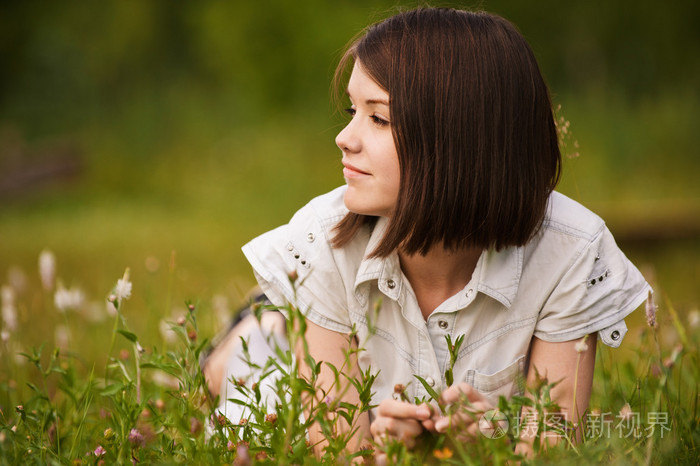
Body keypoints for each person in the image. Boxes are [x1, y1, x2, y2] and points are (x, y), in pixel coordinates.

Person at [202, 7, 651, 459]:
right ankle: (260, 327)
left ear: (458, 139)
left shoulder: (570, 252)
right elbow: (337, 453)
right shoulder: (323, 239)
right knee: (247, 405)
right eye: (352, 110)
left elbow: (552, 451)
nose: (343, 137)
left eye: (378, 119)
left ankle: (270, 321)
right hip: (304, 328)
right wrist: (382, 454)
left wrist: (480, 449)